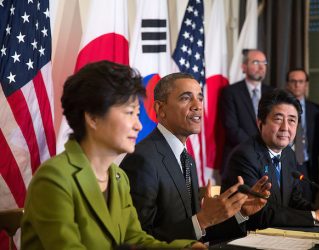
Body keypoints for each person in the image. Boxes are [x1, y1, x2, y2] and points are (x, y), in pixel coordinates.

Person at [21, 61, 203, 249]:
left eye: (138, 114)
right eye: (130, 113)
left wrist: (185, 248)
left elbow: (137, 240)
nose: (138, 125)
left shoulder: (118, 178)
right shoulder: (54, 178)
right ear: (93, 117)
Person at [120, 73, 271, 242]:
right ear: (160, 109)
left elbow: (198, 232)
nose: (197, 106)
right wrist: (203, 219)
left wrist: (240, 213)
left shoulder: (187, 160)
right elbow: (137, 240)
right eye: (186, 98)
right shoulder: (142, 160)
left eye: (200, 98)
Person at [222, 89, 319, 228]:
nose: (285, 127)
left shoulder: (288, 154)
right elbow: (260, 214)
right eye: (278, 119)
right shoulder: (244, 157)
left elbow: (295, 201)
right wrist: (316, 217)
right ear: (260, 123)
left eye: (292, 120)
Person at [220, 49, 274, 173]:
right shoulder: (230, 92)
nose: (261, 67)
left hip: (268, 160)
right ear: (244, 67)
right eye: (255, 62)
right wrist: (257, 148)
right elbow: (231, 128)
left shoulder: (272, 93)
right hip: (239, 157)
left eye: (264, 63)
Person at [285, 68, 319, 202]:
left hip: (308, 164)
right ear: (287, 84)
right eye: (293, 81)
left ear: (306, 84)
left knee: (308, 202)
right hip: (285, 162)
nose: (297, 85)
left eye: (301, 81)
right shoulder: (279, 108)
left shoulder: (317, 110)